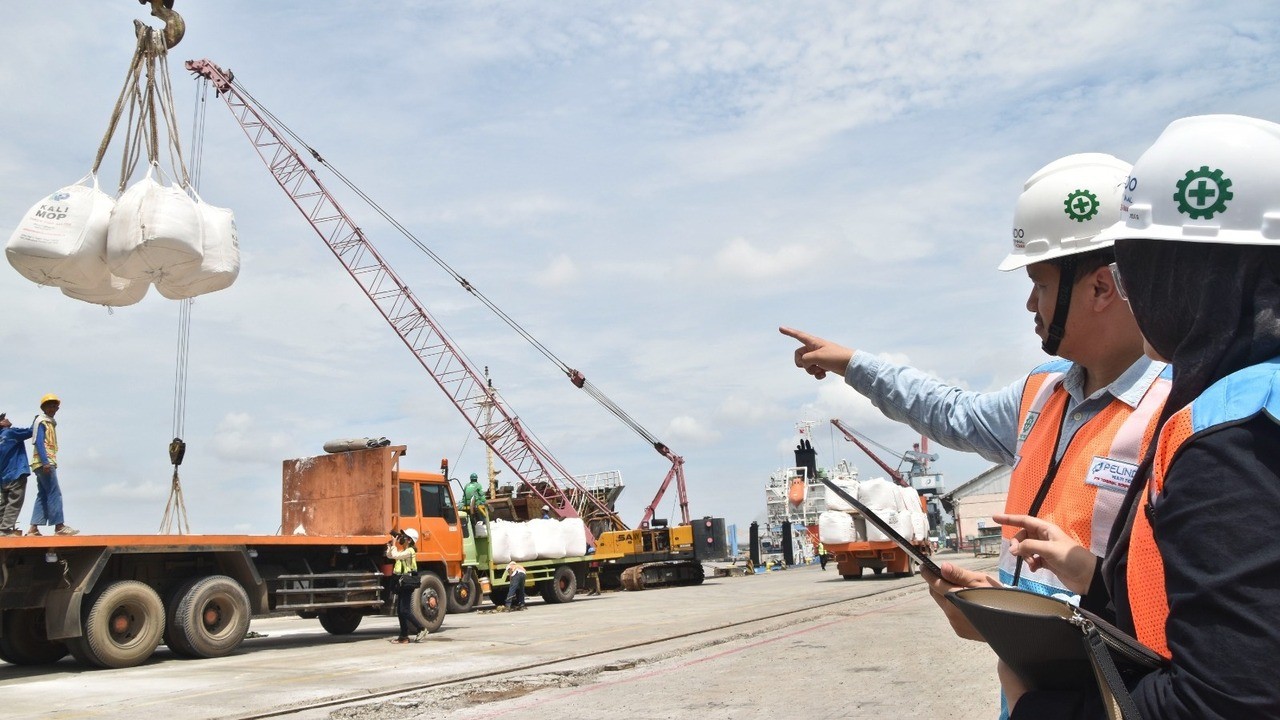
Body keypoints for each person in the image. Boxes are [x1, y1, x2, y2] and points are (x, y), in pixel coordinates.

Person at [986, 114, 1280, 719]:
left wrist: (1036, 707)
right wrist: (1094, 577)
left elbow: (1226, 703)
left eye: (1134, 269)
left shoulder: (1231, 440)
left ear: (1186, 274)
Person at [783, 153, 1168, 607]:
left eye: (1040, 285)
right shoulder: (1041, 393)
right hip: (1029, 670)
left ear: (1101, 288)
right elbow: (950, 412)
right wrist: (853, 364)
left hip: (1117, 678)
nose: (1030, 304)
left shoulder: (1176, 411)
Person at [26, 393, 77, 537]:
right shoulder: (42, 421)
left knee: (43, 494)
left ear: (58, 408)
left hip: (42, 463)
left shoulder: (49, 422)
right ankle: (59, 526)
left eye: (54, 405)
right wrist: (45, 462)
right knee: (54, 493)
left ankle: (33, 528)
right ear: (44, 408)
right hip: (45, 463)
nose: (52, 408)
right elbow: (39, 441)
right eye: (49, 405)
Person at [386, 528, 426, 643]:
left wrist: (394, 544)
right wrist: (390, 546)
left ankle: (421, 628)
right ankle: (404, 636)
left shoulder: (410, 552)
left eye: (405, 537)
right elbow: (391, 555)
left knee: (405, 610)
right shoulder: (404, 550)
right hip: (401, 581)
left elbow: (396, 555)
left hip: (407, 582)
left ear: (409, 540)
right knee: (400, 611)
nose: (402, 538)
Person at [0, 414, 34, 537]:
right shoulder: (10, 433)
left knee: (4, 503)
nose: (7, 419)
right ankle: (5, 530)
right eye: (3, 418)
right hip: (16, 473)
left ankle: (1, 528)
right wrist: (38, 419)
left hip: (4, 477)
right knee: (15, 502)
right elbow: (31, 431)